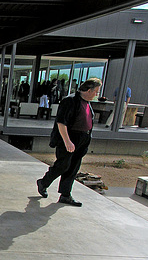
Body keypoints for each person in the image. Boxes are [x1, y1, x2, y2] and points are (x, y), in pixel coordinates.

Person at [36, 78, 102, 207]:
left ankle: (65, 195)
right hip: (69, 138)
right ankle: (43, 182)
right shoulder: (70, 101)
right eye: (96, 91)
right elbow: (61, 122)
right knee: (63, 165)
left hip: (83, 139)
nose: (97, 95)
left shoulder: (87, 102)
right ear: (89, 90)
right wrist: (67, 141)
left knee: (73, 167)